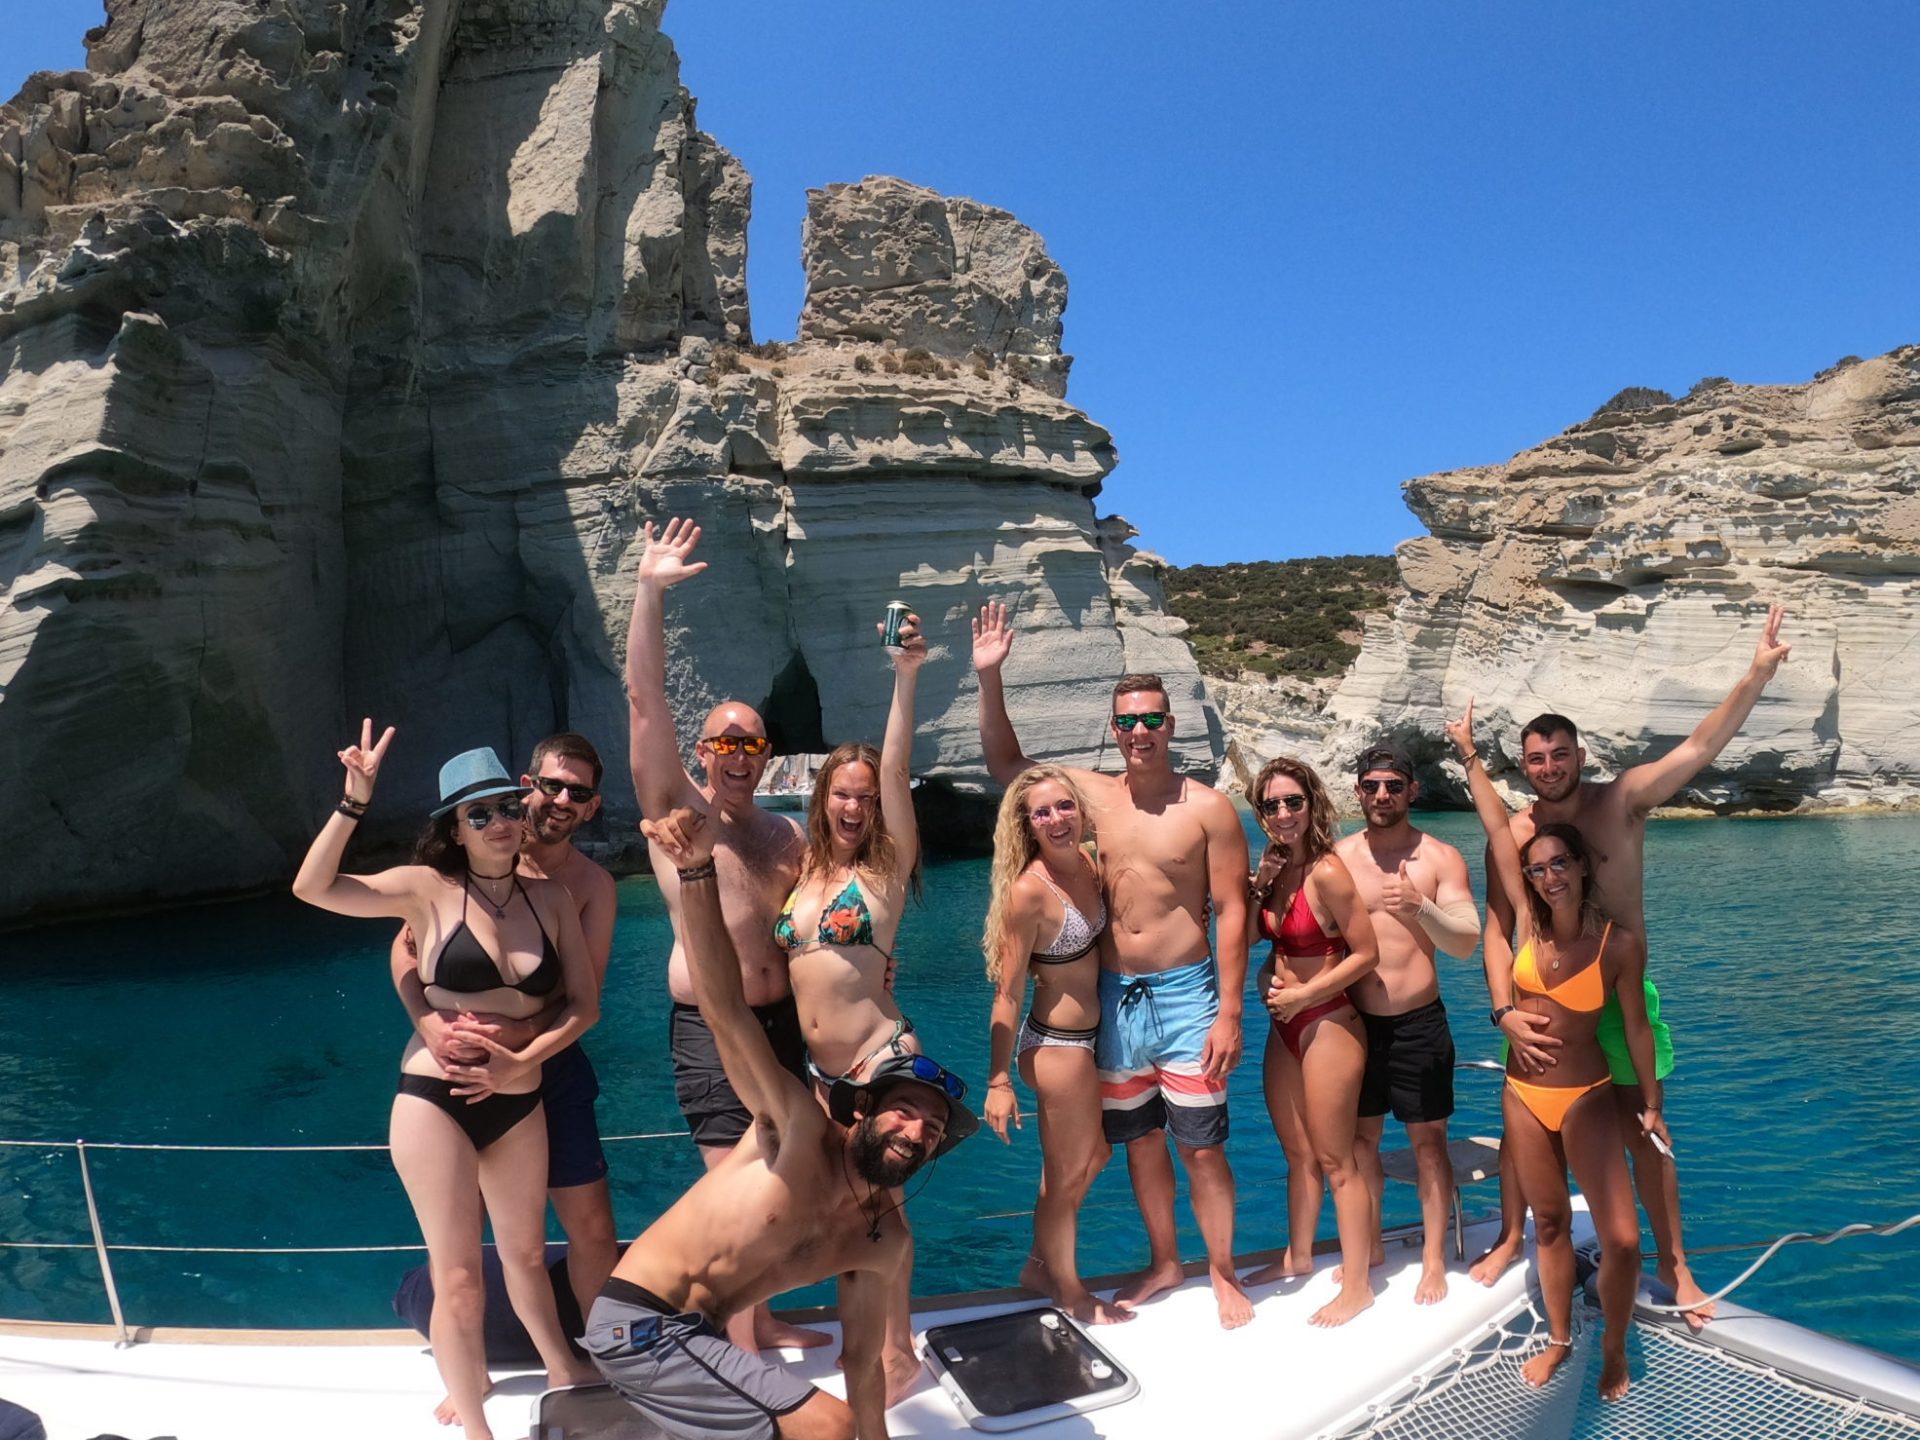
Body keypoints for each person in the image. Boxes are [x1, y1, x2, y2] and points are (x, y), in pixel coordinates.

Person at [584, 805, 979, 1440]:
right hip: (642, 1324)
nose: (916, 1133)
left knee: (843, 1423)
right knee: (826, 1428)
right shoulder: (795, 1130)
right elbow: (724, 1011)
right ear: (862, 1110)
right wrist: (697, 875)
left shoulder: (882, 1238)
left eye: (932, 1130)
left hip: (701, 1335)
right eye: (905, 1112)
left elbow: (862, 1364)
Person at [1472, 605, 1792, 1329]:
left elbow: (1700, 746)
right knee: (1527, 1128)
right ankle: (1512, 1237)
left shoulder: (1622, 801)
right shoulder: (1517, 835)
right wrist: (1503, 1009)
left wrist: (1756, 674)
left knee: (1647, 1133)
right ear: (1523, 766)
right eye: (1535, 759)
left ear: (1580, 755)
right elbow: (1496, 928)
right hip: (1541, 1001)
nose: (1548, 768)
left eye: (1559, 754)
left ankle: (1674, 1264)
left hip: (1617, 997)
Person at [293, 726, 599, 1440]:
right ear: (455, 830)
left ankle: (564, 1369)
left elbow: (584, 1006)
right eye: (478, 814)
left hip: (518, 1099)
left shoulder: (552, 899)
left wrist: (523, 1061)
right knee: (457, 1275)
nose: (499, 822)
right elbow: (313, 888)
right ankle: (478, 1426)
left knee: (526, 1256)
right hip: (434, 1101)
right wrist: (353, 802)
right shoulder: (424, 889)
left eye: (507, 807)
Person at [973, 601, 1255, 1329]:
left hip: (1187, 996)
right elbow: (1007, 767)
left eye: (1151, 719)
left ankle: (1222, 1270)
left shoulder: (1209, 809)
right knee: (1140, 1143)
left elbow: (1232, 911)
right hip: (1113, 998)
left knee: (1203, 1148)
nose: (1139, 731)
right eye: (1127, 721)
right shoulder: (1090, 797)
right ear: (1113, 728)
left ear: (1171, 724)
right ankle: (1166, 1261)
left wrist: (1230, 1010)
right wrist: (990, 677)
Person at [625, 517, 827, 1355]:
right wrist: (649, 592)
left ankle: (760, 1322)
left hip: (782, 1029)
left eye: (753, 743)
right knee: (736, 1185)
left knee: (781, 1183)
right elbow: (645, 704)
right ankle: (739, 1350)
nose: (740, 755)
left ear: (766, 754)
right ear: (703, 752)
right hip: (713, 1030)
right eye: (726, 743)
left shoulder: (788, 836)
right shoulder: (682, 815)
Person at [1447, 700, 1662, 1400]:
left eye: (1560, 864)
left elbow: (1636, 1029)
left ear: (1581, 866)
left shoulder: (1615, 946)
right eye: (1537, 869)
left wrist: (1651, 1102)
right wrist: (1469, 754)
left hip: (1586, 1097)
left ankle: (1614, 1347)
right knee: (1547, 1223)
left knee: (1621, 1239)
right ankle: (1561, 1339)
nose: (1548, 877)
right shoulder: (1528, 928)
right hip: (1522, 1094)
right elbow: (1494, 826)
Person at [390, 732, 620, 1329]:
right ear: (527, 786)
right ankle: (464, 1353)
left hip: (552, 1062)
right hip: (461, 1064)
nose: (561, 800)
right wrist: (427, 1022)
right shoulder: (467, 863)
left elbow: (583, 996)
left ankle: (606, 1353)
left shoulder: (590, 888)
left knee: (592, 1225)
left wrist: (519, 1042)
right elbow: (405, 952)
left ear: (592, 806)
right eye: (551, 786)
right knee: (460, 1230)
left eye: (578, 793)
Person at [981, 766, 1130, 1326]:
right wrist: (998, 1080)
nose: (1056, 819)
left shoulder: (1090, 863)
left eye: (1064, 806)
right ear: (1028, 826)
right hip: (1056, 1044)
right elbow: (1006, 993)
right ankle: (1069, 1289)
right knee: (1066, 1175)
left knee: (1093, 1157)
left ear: (1081, 810)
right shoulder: (1029, 892)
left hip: (1090, 1041)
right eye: (1041, 813)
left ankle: (1039, 1265)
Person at [1239, 757, 1383, 1328]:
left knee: (1336, 1160)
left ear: (1312, 804)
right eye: (1271, 805)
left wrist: (1304, 995)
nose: (1283, 813)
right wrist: (1260, 884)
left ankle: (1359, 1285)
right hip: (1285, 1024)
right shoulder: (1277, 869)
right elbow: (1257, 940)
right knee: (1297, 1154)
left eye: (1292, 802)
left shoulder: (1327, 872)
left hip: (1327, 1021)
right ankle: (1297, 1255)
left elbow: (1366, 952)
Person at [1333, 745, 1479, 1305]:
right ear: (1358, 792)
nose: (1382, 796)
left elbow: (1465, 943)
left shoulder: (1439, 858)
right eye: (1371, 786)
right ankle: (1369, 1246)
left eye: (1394, 786)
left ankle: (1434, 1260)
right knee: (1359, 1143)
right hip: (1356, 1024)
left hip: (1418, 1023)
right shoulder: (1340, 857)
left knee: (1429, 1145)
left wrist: (1421, 907)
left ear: (1412, 791)